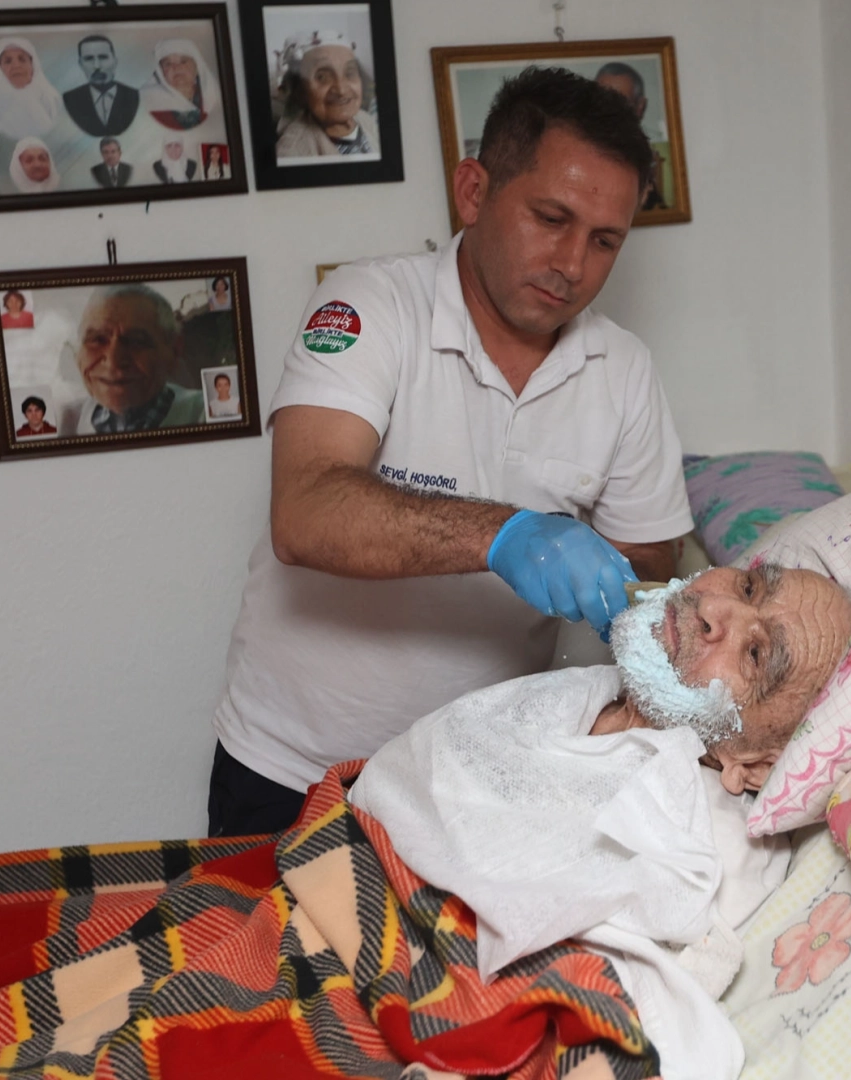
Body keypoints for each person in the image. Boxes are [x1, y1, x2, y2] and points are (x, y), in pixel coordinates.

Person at [209, 67, 695, 836]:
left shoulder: (623, 369)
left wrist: (630, 590)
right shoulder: (369, 303)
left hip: (481, 782)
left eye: (604, 241)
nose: (573, 264)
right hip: (294, 770)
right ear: (473, 192)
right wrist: (508, 534)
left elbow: (648, 564)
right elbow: (305, 508)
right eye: (551, 218)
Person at [351, 565, 851, 1079]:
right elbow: (383, 797)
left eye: (756, 654)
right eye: (748, 586)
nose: (713, 608)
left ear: (754, 766)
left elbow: (624, 1008)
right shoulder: (583, 693)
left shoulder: (707, 845)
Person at [69, 283, 204, 434]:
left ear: (174, 351)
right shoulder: (63, 421)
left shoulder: (208, 413)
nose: (113, 362)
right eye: (98, 339)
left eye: (136, 341)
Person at [273, 31, 378, 159]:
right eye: (322, 77)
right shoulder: (291, 153)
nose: (341, 90)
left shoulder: (365, 119)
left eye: (349, 73)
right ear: (299, 91)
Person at [594, 60, 666, 210]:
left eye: (620, 103)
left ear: (640, 107)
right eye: (601, 100)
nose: (609, 111)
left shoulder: (654, 155)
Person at [0, 37, 61, 141]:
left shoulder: (51, 98)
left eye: (22, 59)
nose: (16, 66)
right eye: (8, 61)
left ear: (32, 65)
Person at [62, 35, 139, 138]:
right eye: (88, 59)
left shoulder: (132, 95)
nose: (97, 66)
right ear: (81, 64)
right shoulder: (71, 99)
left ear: (114, 61)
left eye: (103, 57)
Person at [143, 38, 218, 131]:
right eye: (168, 64)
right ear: (161, 73)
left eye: (183, 61)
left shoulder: (213, 97)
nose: (176, 67)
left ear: (197, 67)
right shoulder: (148, 101)